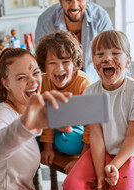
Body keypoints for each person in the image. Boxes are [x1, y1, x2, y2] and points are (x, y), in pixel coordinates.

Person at [62, 30, 134, 190]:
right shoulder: (91, 92)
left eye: (115, 53)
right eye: (100, 54)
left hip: (130, 155)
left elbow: (133, 138)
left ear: (128, 61)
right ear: (93, 61)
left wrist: (115, 166)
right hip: (102, 153)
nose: (106, 58)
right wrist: (101, 178)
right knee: (72, 188)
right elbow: (95, 137)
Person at [0, 48, 72, 190]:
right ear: (6, 83)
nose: (33, 82)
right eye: (22, 77)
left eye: (35, 73)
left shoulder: (23, 109)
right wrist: (25, 126)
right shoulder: (1, 114)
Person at [35, 0, 113, 82]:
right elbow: (41, 61)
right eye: (68, 0)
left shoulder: (100, 17)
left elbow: (109, 55)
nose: (75, 6)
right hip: (59, 84)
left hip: (94, 82)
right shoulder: (46, 21)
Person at [35, 31, 92, 173]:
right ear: (44, 65)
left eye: (65, 62)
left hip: (79, 126)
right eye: (52, 63)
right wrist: (47, 147)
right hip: (52, 124)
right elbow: (47, 115)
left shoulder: (83, 85)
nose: (59, 68)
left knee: (70, 142)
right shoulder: (44, 81)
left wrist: (82, 159)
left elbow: (91, 127)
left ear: (74, 63)